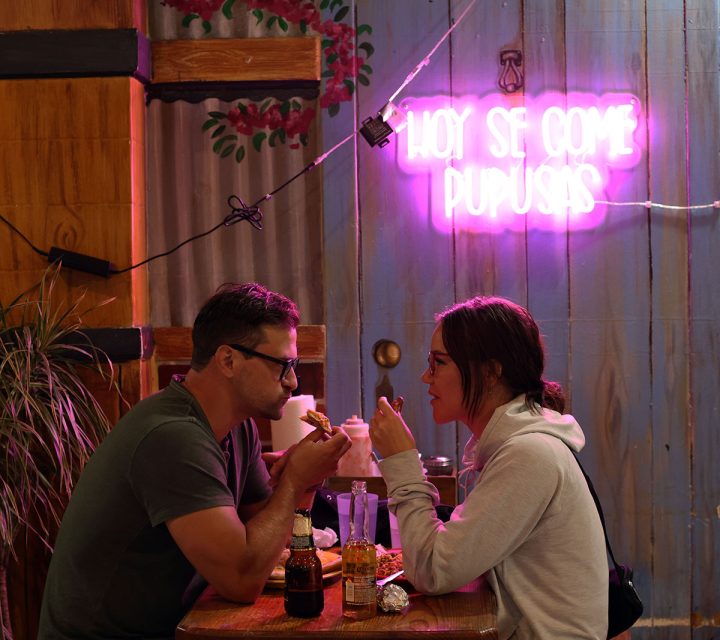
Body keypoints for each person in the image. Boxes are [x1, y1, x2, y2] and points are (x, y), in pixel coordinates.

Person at [39, 282, 351, 639]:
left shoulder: (238, 427)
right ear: (228, 360)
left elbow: (266, 545)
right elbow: (242, 579)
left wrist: (307, 480)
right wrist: (294, 480)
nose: (292, 381)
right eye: (282, 365)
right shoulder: (173, 437)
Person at [369, 295, 608, 639]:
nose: (425, 377)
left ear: (491, 372)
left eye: (438, 363)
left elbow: (432, 570)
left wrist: (402, 461)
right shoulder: (515, 448)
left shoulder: (530, 454)